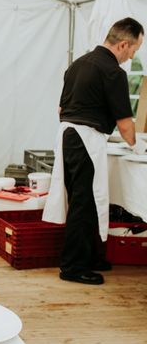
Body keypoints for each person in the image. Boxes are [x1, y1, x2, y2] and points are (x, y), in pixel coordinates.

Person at [43, 17, 147, 285]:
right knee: (84, 203)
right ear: (123, 44)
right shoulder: (112, 72)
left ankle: (89, 257)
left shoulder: (78, 64)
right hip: (85, 139)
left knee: (84, 199)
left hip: (68, 136)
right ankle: (73, 267)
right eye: (134, 51)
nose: (131, 57)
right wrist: (138, 146)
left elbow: (60, 110)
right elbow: (125, 126)